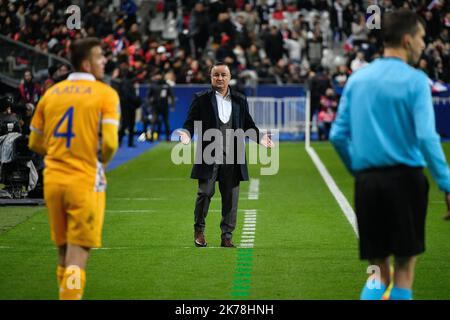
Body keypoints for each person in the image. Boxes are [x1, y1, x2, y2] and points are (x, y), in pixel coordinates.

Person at [329, 10, 450, 300]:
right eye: (421, 38)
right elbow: (426, 137)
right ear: (408, 40)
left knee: (377, 272)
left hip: (368, 184)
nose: (424, 44)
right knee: (404, 272)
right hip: (405, 181)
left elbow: (337, 135)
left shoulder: (358, 79)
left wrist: (360, 171)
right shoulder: (416, 80)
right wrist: (446, 183)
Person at [28, 37, 120, 300]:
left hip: (54, 180)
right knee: (79, 253)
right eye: (100, 56)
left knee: (63, 249)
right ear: (86, 63)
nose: (104, 60)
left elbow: (35, 141)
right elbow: (111, 143)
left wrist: (60, 152)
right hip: (84, 179)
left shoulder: (51, 93)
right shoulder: (105, 94)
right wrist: (100, 159)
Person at [179, 62, 274, 248]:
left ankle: (227, 236)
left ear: (229, 77)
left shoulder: (240, 99)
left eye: (223, 75)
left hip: (233, 155)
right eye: (216, 75)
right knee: (204, 193)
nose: (220, 78)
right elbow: (190, 122)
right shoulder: (201, 99)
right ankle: (199, 230)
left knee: (231, 198)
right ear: (210, 77)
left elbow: (248, 125)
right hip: (208, 153)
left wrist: (260, 138)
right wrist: (186, 133)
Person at [148, 72, 174, 141]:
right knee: (153, 121)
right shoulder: (153, 85)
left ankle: (168, 137)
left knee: (166, 122)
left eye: (159, 75)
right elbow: (148, 96)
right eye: (157, 75)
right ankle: (151, 137)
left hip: (164, 106)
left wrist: (172, 105)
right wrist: (149, 103)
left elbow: (171, 95)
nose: (158, 77)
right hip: (155, 106)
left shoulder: (166, 85)